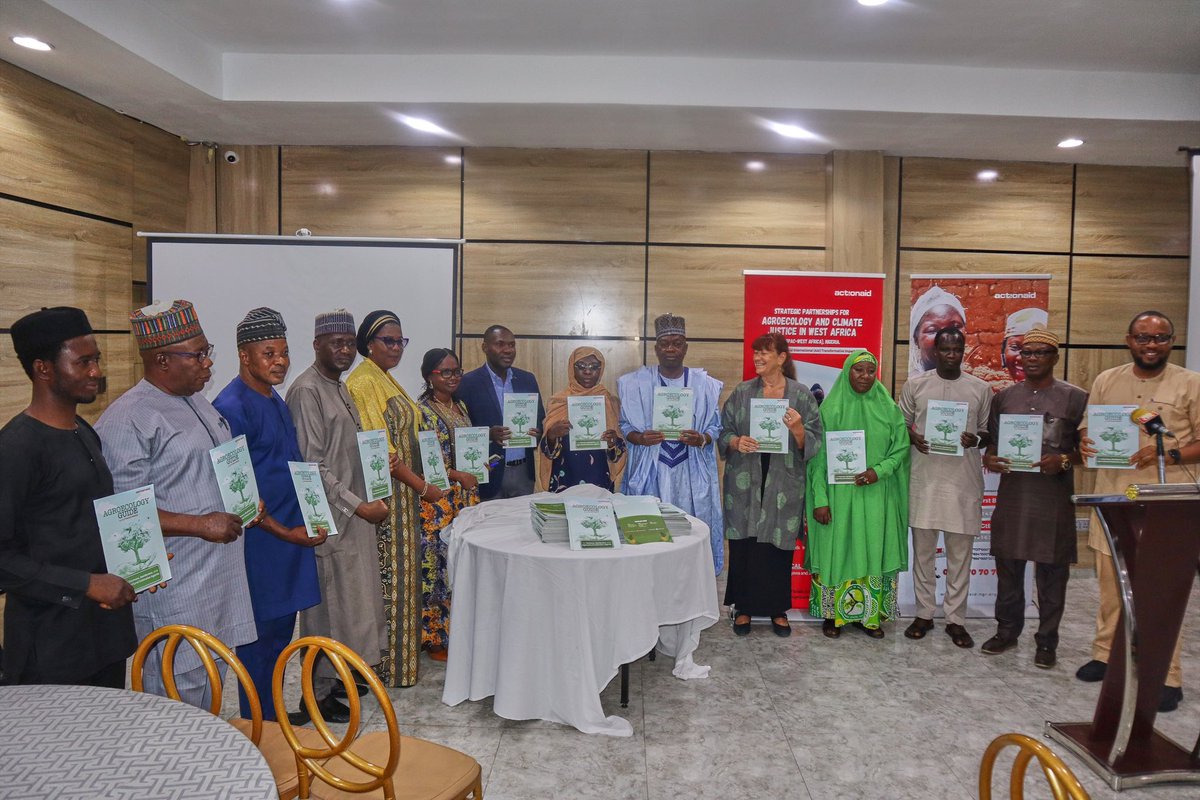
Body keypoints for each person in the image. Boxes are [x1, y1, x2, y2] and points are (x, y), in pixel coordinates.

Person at [96, 300, 257, 708]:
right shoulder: (128, 418)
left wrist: (248, 500)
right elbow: (120, 511)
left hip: (219, 578)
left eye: (208, 352)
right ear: (162, 360)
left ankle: (209, 763)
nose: (208, 364)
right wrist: (200, 525)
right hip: (177, 583)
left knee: (215, 683)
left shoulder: (199, 402)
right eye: (198, 354)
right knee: (175, 695)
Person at [0, 307, 137, 688]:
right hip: (50, 647)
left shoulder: (82, 430)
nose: (96, 371)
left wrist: (139, 558)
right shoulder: (16, 448)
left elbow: (85, 523)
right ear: (43, 369)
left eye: (96, 360)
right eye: (84, 362)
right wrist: (86, 585)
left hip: (103, 638)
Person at [1075, 311, 1200, 712]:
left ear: (1171, 341)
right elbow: (1086, 426)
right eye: (1143, 338)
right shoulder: (1107, 380)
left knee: (1163, 592)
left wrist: (1169, 451)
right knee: (1112, 586)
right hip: (1114, 497)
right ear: (1129, 340)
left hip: (1168, 504)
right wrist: (1084, 443)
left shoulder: (1191, 383)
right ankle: (1104, 655)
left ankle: (1167, 674)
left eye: (1160, 338)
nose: (1151, 345)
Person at [213, 308, 322, 722]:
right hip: (261, 545)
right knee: (257, 643)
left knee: (279, 637)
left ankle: (273, 715)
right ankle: (258, 728)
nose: (279, 361)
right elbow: (237, 494)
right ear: (244, 355)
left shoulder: (272, 397)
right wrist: (286, 533)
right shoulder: (231, 407)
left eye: (284, 352)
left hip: (291, 538)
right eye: (268, 353)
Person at [286, 309, 390, 723]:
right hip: (332, 523)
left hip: (355, 521)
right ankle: (312, 697)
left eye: (349, 343)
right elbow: (311, 466)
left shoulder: (339, 386)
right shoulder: (306, 391)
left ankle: (330, 688)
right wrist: (355, 503)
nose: (345, 350)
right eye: (336, 343)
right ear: (316, 345)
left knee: (349, 610)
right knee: (325, 612)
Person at [980, 325, 1086, 669]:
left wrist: (1065, 460)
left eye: (1041, 353)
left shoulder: (1075, 398)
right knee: (1008, 568)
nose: (1032, 359)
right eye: (1026, 352)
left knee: (1052, 574)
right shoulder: (1005, 397)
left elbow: (1089, 450)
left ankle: (1047, 642)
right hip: (1013, 497)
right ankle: (1007, 631)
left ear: (1056, 357)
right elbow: (993, 444)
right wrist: (990, 458)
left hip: (1052, 499)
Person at [346, 310, 429, 687]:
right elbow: (383, 453)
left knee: (403, 580)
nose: (397, 348)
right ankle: (385, 670)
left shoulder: (384, 378)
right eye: (389, 341)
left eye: (401, 341)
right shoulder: (362, 381)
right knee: (390, 583)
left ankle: (401, 667)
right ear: (368, 344)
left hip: (404, 497)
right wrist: (425, 488)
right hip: (388, 497)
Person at [719, 332, 821, 637]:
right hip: (745, 480)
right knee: (745, 547)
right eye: (755, 353)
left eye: (765, 353)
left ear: (781, 358)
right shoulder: (743, 392)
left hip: (783, 481)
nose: (758, 359)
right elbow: (723, 432)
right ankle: (744, 608)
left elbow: (815, 442)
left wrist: (799, 428)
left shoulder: (801, 395)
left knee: (777, 549)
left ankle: (778, 609)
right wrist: (736, 442)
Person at [806, 350, 910, 639]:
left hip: (875, 496)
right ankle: (831, 615)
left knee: (872, 551)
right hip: (838, 499)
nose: (864, 377)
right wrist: (820, 500)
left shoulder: (889, 409)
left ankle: (869, 616)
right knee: (836, 552)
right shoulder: (829, 410)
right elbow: (817, 460)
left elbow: (900, 449)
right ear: (846, 372)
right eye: (858, 370)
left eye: (869, 371)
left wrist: (879, 471)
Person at [898, 327, 992, 648]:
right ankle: (924, 613)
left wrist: (976, 439)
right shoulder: (916, 385)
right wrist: (913, 437)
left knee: (959, 557)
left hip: (963, 484)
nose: (952, 355)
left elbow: (987, 433)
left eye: (957, 349)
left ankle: (956, 619)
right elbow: (901, 425)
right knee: (923, 555)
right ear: (934, 351)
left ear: (963, 350)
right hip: (924, 481)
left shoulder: (980, 388)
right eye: (945, 349)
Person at [618, 313, 724, 574]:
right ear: (655, 348)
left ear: (686, 347)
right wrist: (639, 438)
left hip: (691, 473)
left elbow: (715, 426)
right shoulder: (635, 383)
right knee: (649, 539)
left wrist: (702, 438)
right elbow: (624, 426)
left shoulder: (705, 385)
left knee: (689, 536)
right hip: (650, 470)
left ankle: (689, 588)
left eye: (677, 343)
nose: (671, 349)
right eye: (665, 343)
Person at [414, 348, 480, 660]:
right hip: (438, 502)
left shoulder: (460, 405)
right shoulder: (423, 412)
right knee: (438, 567)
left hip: (463, 499)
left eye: (457, 371)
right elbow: (428, 462)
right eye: (445, 372)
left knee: (460, 566)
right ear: (430, 376)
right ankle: (435, 638)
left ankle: (456, 631)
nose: (453, 377)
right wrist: (458, 474)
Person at [456, 325, 545, 500]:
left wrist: (537, 433)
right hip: (489, 469)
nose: (508, 350)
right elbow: (459, 428)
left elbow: (539, 419)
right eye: (500, 344)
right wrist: (488, 434)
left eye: (512, 345)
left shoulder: (527, 379)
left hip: (522, 472)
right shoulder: (468, 383)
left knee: (522, 526)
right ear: (485, 347)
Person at [539, 347, 627, 492]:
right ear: (571, 368)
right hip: (565, 477)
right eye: (581, 366)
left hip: (599, 479)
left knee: (597, 514)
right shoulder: (558, 401)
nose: (587, 371)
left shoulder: (610, 402)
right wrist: (551, 435)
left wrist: (612, 442)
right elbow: (548, 452)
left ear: (601, 369)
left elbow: (617, 454)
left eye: (594, 367)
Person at [908, 286, 966, 378]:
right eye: (932, 330)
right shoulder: (913, 387)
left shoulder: (978, 387)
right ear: (916, 339)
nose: (945, 337)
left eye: (955, 327)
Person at [1000, 307, 1049, 384]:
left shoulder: (1065, 394)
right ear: (1003, 351)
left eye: (1038, 351)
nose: (1021, 358)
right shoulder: (1003, 395)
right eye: (1015, 347)